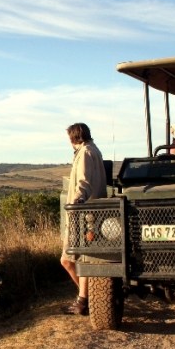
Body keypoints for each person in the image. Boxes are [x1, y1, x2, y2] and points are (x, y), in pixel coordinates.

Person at [62, 122, 107, 316]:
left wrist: (77, 200)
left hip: (83, 213)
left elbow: (83, 181)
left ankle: (85, 300)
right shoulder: (91, 150)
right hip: (88, 211)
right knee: (80, 259)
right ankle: (85, 299)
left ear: (73, 137)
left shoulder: (86, 153)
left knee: (69, 260)